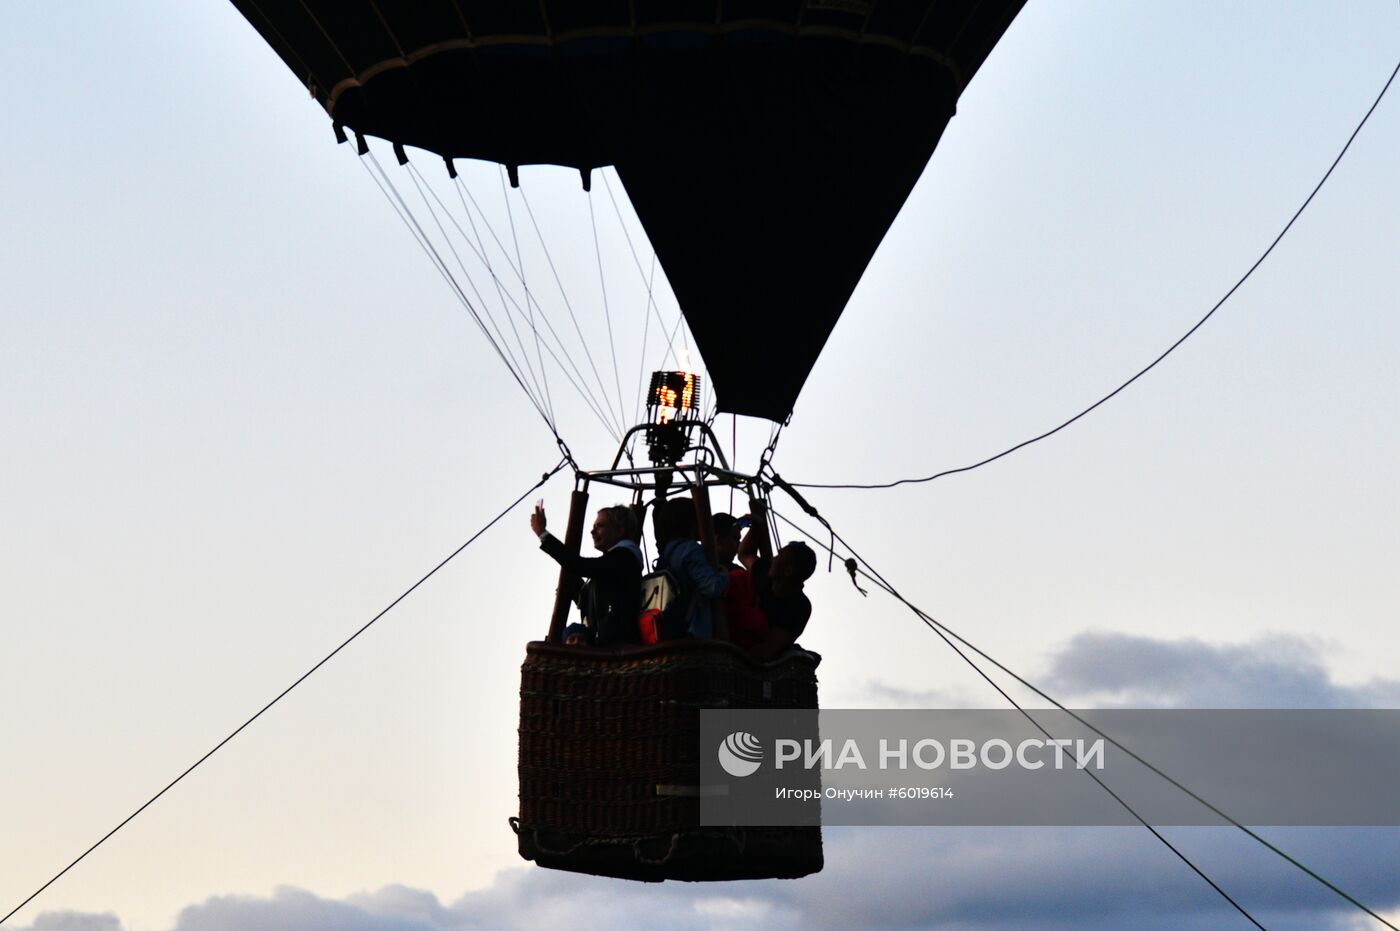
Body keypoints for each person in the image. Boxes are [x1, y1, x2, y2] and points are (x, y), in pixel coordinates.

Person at [531, 502, 644, 646]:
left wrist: (543, 534)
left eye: (600, 526)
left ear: (619, 531)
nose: (592, 532)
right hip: (608, 648)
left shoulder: (623, 559)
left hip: (615, 649)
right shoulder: (614, 563)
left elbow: (578, 565)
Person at [652, 496, 729, 639]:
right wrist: (724, 575)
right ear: (693, 523)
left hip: (669, 628)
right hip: (693, 630)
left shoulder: (667, 551)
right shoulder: (691, 549)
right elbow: (712, 587)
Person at [739, 528, 816, 660]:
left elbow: (767, 650)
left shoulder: (799, 607)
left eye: (779, 555)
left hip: (754, 662)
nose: (774, 557)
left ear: (788, 571)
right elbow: (744, 553)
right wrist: (756, 527)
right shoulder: (765, 572)